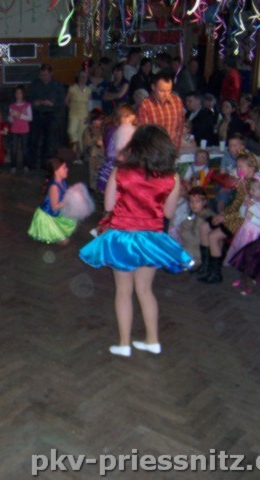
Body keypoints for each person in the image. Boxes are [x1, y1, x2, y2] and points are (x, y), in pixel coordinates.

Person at [79, 125, 193, 357]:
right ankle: (153, 340)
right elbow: (169, 213)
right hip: (151, 239)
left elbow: (109, 206)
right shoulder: (172, 177)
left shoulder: (121, 171)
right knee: (145, 290)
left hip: (123, 238)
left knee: (123, 291)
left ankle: (124, 344)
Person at [197, 152, 260, 284]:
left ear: (252, 168)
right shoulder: (243, 182)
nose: (238, 170)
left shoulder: (254, 186)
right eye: (237, 167)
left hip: (242, 221)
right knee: (204, 227)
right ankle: (205, 266)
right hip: (231, 216)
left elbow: (243, 211)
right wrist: (222, 215)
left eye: (241, 167)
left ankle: (215, 273)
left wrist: (224, 217)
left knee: (213, 236)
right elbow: (234, 204)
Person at [27, 157, 77, 245]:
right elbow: (54, 207)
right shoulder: (54, 187)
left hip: (55, 214)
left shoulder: (62, 181)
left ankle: (58, 231)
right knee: (65, 242)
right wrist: (67, 201)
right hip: (47, 217)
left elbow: (65, 190)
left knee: (73, 221)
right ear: (56, 171)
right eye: (64, 168)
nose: (67, 169)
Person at [28, 64, 65, 169]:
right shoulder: (35, 84)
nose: (43, 77)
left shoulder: (57, 85)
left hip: (50, 116)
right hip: (37, 115)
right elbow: (28, 99)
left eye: (45, 75)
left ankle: (45, 163)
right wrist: (35, 103)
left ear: (50, 73)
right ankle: (32, 163)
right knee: (34, 140)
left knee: (48, 141)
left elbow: (62, 102)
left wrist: (52, 104)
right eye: (41, 75)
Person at [168, 187, 213, 268]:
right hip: (194, 247)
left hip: (198, 250)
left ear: (204, 202)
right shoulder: (197, 214)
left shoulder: (203, 217)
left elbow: (195, 240)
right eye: (191, 201)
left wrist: (183, 231)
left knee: (172, 253)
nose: (194, 204)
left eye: (197, 201)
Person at [137, 72, 184, 150]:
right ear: (153, 87)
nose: (166, 94)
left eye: (169, 90)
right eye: (161, 91)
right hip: (154, 150)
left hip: (172, 148)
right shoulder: (145, 105)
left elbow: (180, 128)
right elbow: (144, 133)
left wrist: (175, 148)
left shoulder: (177, 101)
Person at [98, 104, 137, 193]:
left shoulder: (120, 129)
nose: (129, 122)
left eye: (131, 120)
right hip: (113, 166)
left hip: (117, 164)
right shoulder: (114, 130)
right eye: (126, 117)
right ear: (118, 117)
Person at [65, 70, 91, 161]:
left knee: (81, 135)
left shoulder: (88, 90)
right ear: (78, 77)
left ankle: (78, 157)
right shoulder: (72, 88)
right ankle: (77, 145)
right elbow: (66, 101)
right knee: (71, 131)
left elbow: (90, 104)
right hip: (74, 113)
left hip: (85, 115)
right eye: (82, 76)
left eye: (85, 77)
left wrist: (89, 116)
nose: (84, 78)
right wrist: (72, 107)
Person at [8, 85, 32, 174]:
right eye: (17, 93)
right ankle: (13, 166)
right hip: (14, 130)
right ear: (15, 94)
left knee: (25, 149)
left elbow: (30, 118)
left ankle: (26, 165)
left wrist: (19, 115)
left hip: (24, 130)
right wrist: (11, 117)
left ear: (23, 94)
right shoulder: (12, 106)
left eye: (20, 93)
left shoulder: (27, 105)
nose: (18, 95)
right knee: (14, 149)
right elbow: (10, 120)